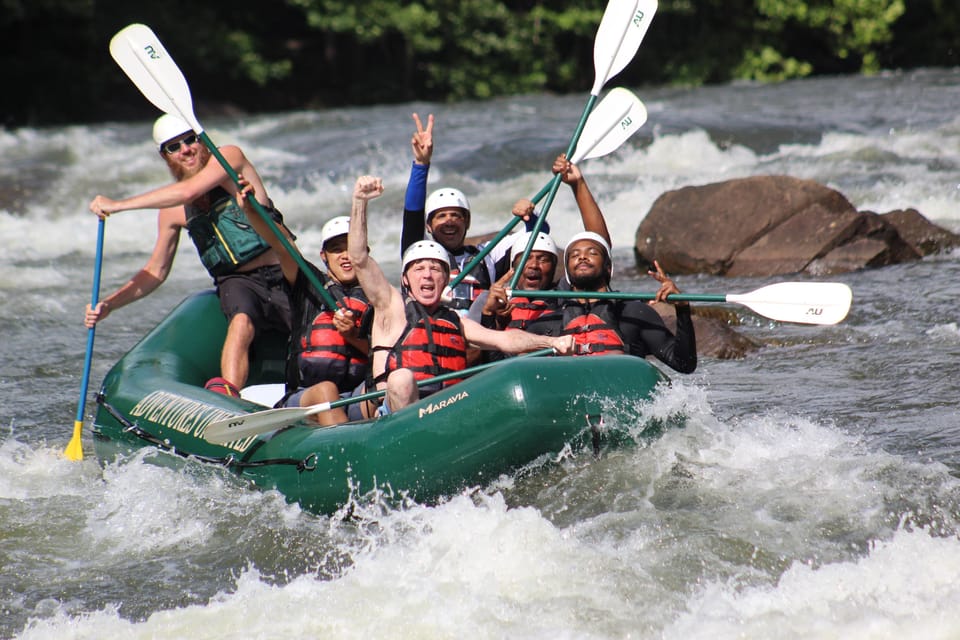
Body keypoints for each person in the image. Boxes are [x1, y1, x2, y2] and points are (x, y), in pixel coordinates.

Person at [85, 114, 292, 395]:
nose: (185, 149)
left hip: (283, 267)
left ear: (201, 139)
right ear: (165, 156)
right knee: (241, 321)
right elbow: (156, 271)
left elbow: (189, 190)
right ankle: (229, 395)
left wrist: (119, 205)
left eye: (190, 139)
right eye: (174, 147)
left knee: (323, 327)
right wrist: (109, 304)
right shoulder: (170, 211)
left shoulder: (229, 159)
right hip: (237, 282)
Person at [347, 175, 577, 415]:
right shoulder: (391, 306)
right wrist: (359, 201)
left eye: (435, 269)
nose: (427, 275)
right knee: (401, 379)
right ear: (405, 279)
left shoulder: (456, 321)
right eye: (419, 269)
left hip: (446, 412)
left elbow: (507, 340)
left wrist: (552, 343)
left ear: (446, 280)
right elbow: (359, 259)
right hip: (398, 414)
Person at [235, 175, 371, 424]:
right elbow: (282, 243)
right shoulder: (308, 283)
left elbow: (384, 352)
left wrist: (353, 336)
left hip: (354, 395)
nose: (345, 256)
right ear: (324, 256)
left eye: (352, 247)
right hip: (307, 397)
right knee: (327, 390)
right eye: (337, 249)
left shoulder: (377, 295)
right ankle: (345, 454)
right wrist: (251, 210)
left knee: (384, 390)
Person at [400, 113, 550, 314]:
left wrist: (529, 216)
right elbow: (412, 215)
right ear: (428, 225)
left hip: (478, 337)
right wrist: (421, 165)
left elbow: (538, 236)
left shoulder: (487, 255)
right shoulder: (419, 253)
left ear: (467, 222)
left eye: (456, 215)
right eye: (441, 216)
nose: (450, 221)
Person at [524, 230, 697, 373]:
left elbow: (684, 364)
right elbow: (507, 369)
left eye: (592, 253)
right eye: (574, 255)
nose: (582, 257)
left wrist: (682, 309)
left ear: (608, 267)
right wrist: (495, 316)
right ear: (568, 271)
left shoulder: (635, 313)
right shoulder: (548, 322)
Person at [477, 153, 614, 332]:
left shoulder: (563, 295)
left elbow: (599, 244)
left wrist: (577, 184)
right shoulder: (494, 298)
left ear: (555, 266)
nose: (534, 265)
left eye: (543, 259)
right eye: (526, 259)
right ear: (512, 266)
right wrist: (489, 313)